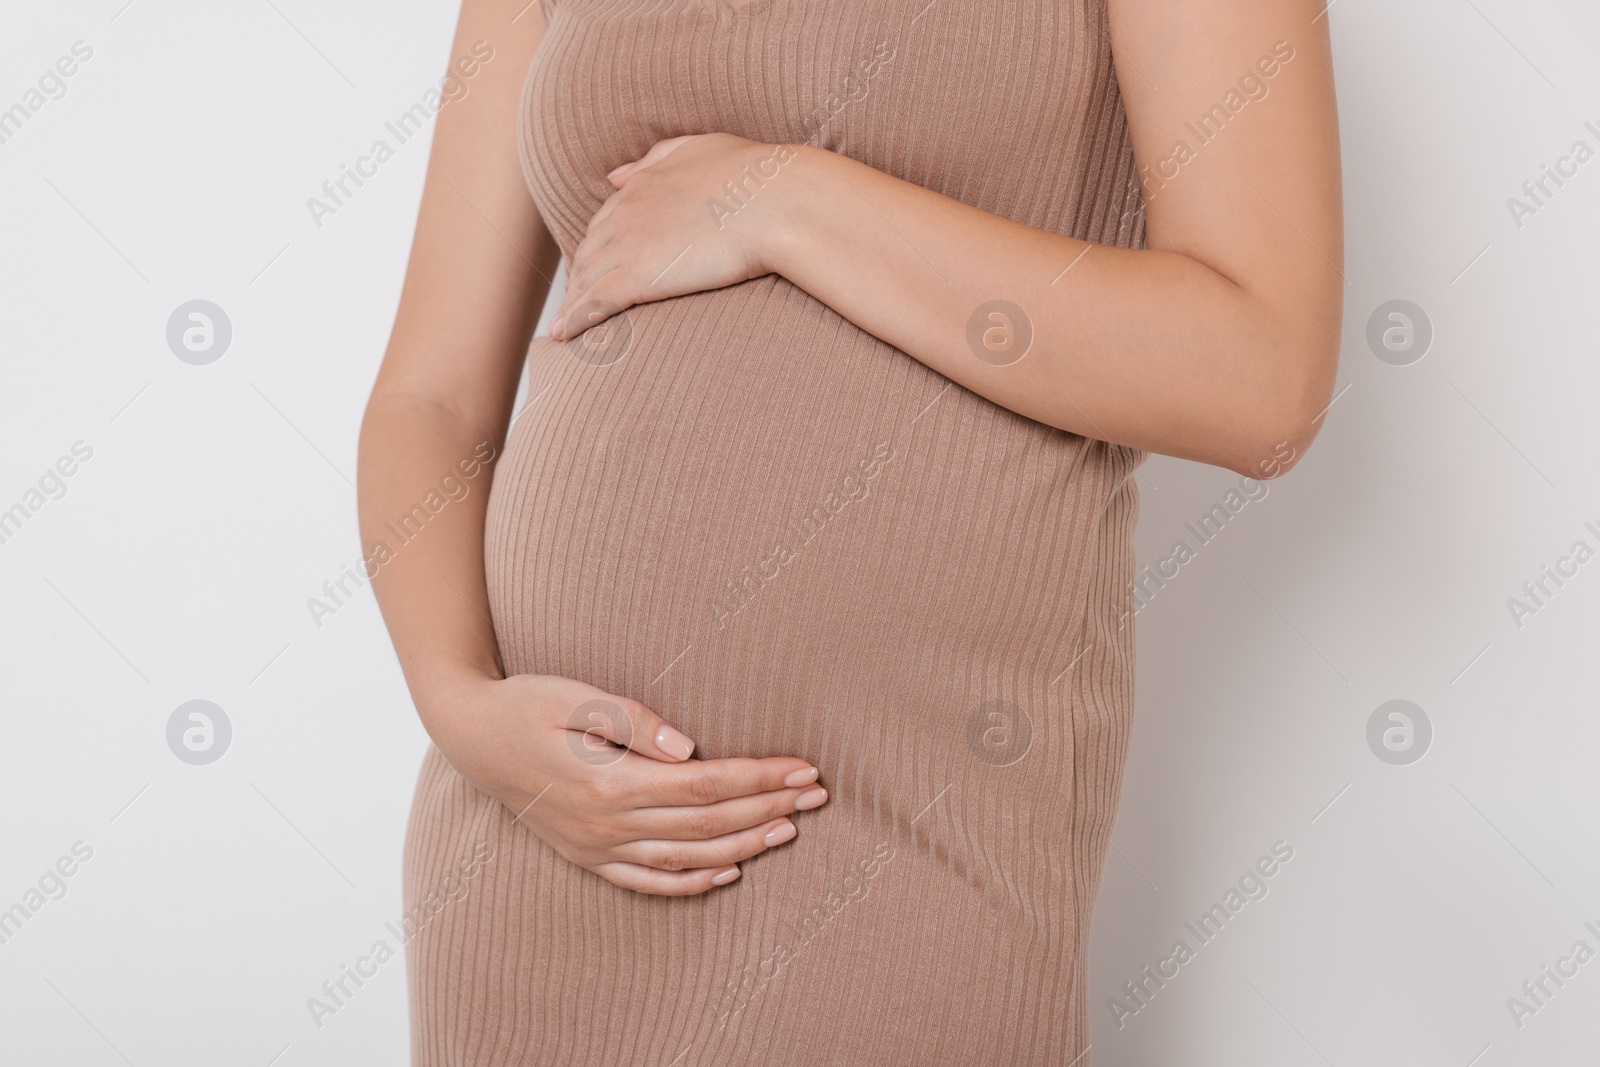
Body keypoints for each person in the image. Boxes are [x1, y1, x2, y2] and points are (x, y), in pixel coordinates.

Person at [357, 0, 1341, 1062]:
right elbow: (433, 398)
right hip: (543, 823)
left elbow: (1260, 374)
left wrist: (787, 201)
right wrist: (459, 706)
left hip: (908, 812)